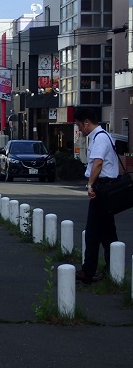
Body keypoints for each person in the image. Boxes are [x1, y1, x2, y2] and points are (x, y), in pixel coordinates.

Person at [74, 107, 120, 284]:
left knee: (92, 232)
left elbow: (98, 163)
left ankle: (88, 271)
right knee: (108, 233)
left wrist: (90, 185)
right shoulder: (104, 135)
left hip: (102, 187)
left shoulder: (99, 138)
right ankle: (111, 270)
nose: (79, 129)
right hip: (107, 187)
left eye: (79, 125)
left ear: (87, 123)